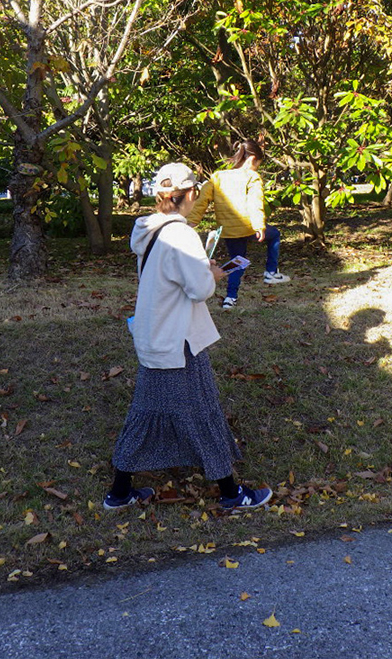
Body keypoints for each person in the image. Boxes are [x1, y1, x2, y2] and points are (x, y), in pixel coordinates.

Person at [104, 162, 271, 513]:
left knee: (149, 414)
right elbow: (197, 289)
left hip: (158, 335)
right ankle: (230, 493)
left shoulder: (149, 230)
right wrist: (212, 274)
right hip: (178, 340)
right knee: (200, 412)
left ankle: (119, 493)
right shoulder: (180, 234)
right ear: (192, 194)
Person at [188, 139, 290, 309]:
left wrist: (192, 221)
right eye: (257, 163)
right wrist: (259, 225)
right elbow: (255, 201)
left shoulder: (218, 176)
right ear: (252, 159)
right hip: (247, 227)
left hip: (227, 230)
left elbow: (202, 201)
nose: (257, 167)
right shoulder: (251, 176)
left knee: (238, 261)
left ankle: (230, 298)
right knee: (275, 235)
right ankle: (271, 272)